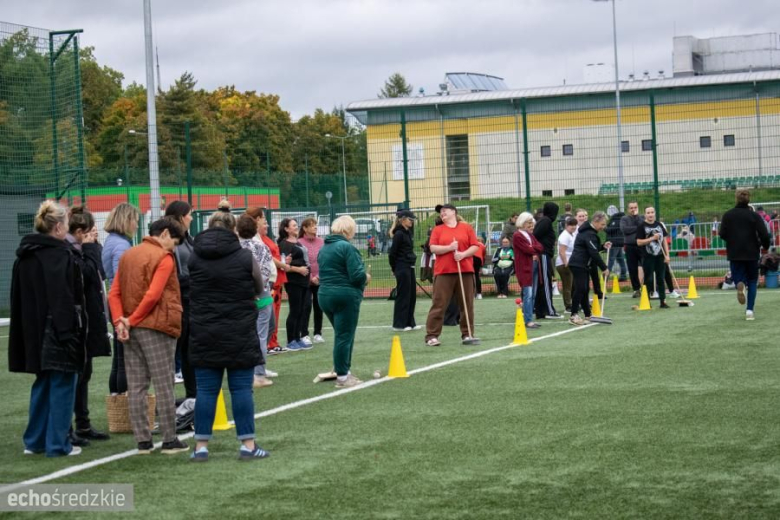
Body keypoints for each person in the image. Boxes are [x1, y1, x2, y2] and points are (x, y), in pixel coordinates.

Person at [188, 210, 269, 462]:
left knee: (206, 391)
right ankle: (247, 444)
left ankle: (200, 446)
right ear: (233, 230)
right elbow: (259, 287)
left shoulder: (194, 257)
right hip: (239, 331)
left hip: (204, 331)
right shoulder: (245, 256)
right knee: (241, 389)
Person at [10, 201, 87, 457]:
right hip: (57, 330)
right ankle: (58, 444)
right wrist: (69, 333)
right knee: (64, 384)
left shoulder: (25, 255)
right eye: (65, 224)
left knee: (43, 384)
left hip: (32, 331)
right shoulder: (60, 255)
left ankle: (34, 441)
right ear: (57, 227)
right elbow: (63, 298)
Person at [108, 217, 189, 455]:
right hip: (156, 326)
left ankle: (143, 441)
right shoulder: (163, 257)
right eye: (174, 242)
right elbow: (153, 295)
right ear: (164, 234)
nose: (174, 248)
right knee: (164, 384)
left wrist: (120, 322)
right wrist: (131, 320)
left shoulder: (128, 255)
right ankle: (169, 439)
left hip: (130, 328)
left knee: (137, 386)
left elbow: (113, 293)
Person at [66, 207, 111, 445]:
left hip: (89, 320)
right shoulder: (69, 252)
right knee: (75, 376)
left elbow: (99, 272)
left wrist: (93, 247)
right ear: (81, 231)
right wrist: (91, 248)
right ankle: (70, 427)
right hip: (76, 322)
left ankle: (82, 424)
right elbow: (89, 275)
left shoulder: (85, 250)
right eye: (91, 232)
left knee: (85, 374)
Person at [318, 216, 371, 388]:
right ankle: (343, 375)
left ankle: (342, 369)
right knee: (344, 336)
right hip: (345, 296)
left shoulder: (324, 248)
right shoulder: (347, 247)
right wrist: (366, 277)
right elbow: (356, 276)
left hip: (324, 295)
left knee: (342, 334)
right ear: (349, 230)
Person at [424, 203, 481, 346]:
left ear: (453, 212)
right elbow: (433, 248)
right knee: (439, 303)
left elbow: (475, 246)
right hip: (444, 271)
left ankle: (467, 334)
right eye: (440, 212)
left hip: (465, 270)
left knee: (466, 304)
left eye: (444, 210)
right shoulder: (437, 230)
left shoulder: (466, 228)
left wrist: (462, 254)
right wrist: (449, 248)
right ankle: (432, 335)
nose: (442, 213)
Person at [102, 203, 141, 395]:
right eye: (135, 220)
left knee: (119, 356)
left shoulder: (111, 241)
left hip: (113, 301)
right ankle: (126, 399)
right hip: (122, 303)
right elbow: (122, 277)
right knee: (125, 356)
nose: (136, 225)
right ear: (126, 220)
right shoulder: (121, 245)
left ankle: (117, 397)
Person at [719, 189, 770, 320]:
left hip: (735, 253)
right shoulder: (754, 216)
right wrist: (764, 245)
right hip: (752, 252)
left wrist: (733, 240)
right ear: (749, 200)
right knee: (753, 281)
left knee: (738, 277)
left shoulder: (728, 215)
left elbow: (722, 234)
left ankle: (739, 285)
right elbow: (764, 234)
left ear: (736, 199)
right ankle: (749, 311)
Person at [237, 214, 275, 389]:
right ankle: (259, 373)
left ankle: (245, 369)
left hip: (241, 296)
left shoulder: (234, 248)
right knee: (261, 333)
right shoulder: (261, 246)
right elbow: (266, 271)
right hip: (261, 294)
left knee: (245, 333)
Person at [164, 201, 197, 400]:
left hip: (189, 299)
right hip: (178, 299)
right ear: (179, 216)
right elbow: (172, 273)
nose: (191, 218)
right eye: (189, 214)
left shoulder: (187, 238)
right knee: (173, 351)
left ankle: (192, 395)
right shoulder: (171, 239)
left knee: (188, 350)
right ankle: (166, 400)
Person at [246, 207, 288, 354]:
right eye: (263, 218)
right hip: (261, 290)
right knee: (262, 327)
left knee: (269, 324)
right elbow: (260, 265)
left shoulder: (260, 239)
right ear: (257, 219)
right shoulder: (253, 242)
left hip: (266, 287)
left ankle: (261, 365)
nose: (266, 222)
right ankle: (258, 369)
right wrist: (265, 285)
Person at [568, 212, 611, 326]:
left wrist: (602, 246)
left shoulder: (590, 233)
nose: (603, 227)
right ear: (596, 222)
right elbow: (593, 253)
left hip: (583, 265)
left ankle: (588, 314)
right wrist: (604, 268)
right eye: (602, 224)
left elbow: (592, 248)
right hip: (578, 264)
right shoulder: (588, 233)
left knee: (585, 289)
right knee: (580, 288)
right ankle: (573, 315)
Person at [277, 218, 311, 351]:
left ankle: (297, 338)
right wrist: (299, 269)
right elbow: (283, 265)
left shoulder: (297, 242)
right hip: (293, 281)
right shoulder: (284, 244)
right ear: (286, 229)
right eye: (294, 225)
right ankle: (290, 340)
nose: (297, 227)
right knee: (295, 310)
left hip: (303, 281)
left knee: (301, 310)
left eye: (297, 225)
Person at [388, 209, 419, 331]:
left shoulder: (407, 233)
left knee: (411, 295)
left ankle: (410, 322)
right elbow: (392, 254)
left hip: (409, 267)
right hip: (402, 267)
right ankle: (399, 324)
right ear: (403, 220)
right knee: (403, 296)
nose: (412, 222)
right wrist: (394, 268)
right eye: (410, 219)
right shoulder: (399, 234)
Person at [512, 212, 543, 329]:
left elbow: (540, 247)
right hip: (525, 268)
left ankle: (529, 318)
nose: (530, 225)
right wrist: (533, 250)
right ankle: (528, 320)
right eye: (528, 223)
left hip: (534, 266)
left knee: (532, 294)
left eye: (531, 223)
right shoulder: (517, 235)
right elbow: (528, 250)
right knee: (528, 294)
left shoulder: (530, 235)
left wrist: (533, 249)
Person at [636, 207, 671, 309]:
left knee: (661, 278)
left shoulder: (659, 225)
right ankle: (646, 301)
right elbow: (638, 242)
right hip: (648, 256)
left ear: (654, 213)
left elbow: (664, 240)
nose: (650, 214)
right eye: (648, 213)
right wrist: (652, 238)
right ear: (645, 214)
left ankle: (663, 301)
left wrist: (667, 255)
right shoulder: (641, 226)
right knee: (648, 279)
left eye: (652, 212)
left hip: (660, 256)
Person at [533, 202, 562, 320]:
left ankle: (541, 311)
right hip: (544, 255)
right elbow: (535, 235)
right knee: (545, 283)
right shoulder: (546, 221)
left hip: (544, 254)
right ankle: (549, 310)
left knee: (542, 284)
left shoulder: (543, 221)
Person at [299, 217, 325, 344]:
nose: (315, 227)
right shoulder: (299, 242)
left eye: (316, 225)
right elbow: (299, 262)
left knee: (319, 306)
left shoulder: (322, 242)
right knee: (306, 306)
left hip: (319, 280)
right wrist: (310, 278)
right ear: (305, 228)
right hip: (305, 281)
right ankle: (304, 334)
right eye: (312, 225)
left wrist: (318, 277)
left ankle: (318, 333)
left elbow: (325, 261)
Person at [620, 201, 644, 298]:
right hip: (630, 246)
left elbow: (643, 227)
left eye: (635, 207)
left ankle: (647, 287)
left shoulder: (641, 217)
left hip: (642, 245)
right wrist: (637, 228)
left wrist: (637, 218)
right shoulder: (624, 219)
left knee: (646, 266)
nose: (633, 209)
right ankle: (636, 289)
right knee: (632, 269)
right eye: (631, 208)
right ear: (628, 209)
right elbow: (625, 230)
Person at [555, 217, 578, 313]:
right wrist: (566, 263)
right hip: (563, 263)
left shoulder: (570, 235)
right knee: (567, 285)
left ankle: (572, 304)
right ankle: (568, 306)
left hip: (568, 262)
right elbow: (562, 251)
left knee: (572, 285)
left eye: (574, 224)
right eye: (570, 225)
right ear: (566, 226)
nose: (573, 227)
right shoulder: (565, 236)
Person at [605, 205, 628, 281]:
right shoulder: (620, 219)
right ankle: (623, 275)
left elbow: (610, 230)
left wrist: (604, 227)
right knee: (620, 259)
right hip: (618, 241)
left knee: (610, 260)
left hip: (614, 242)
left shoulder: (615, 220)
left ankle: (606, 275)